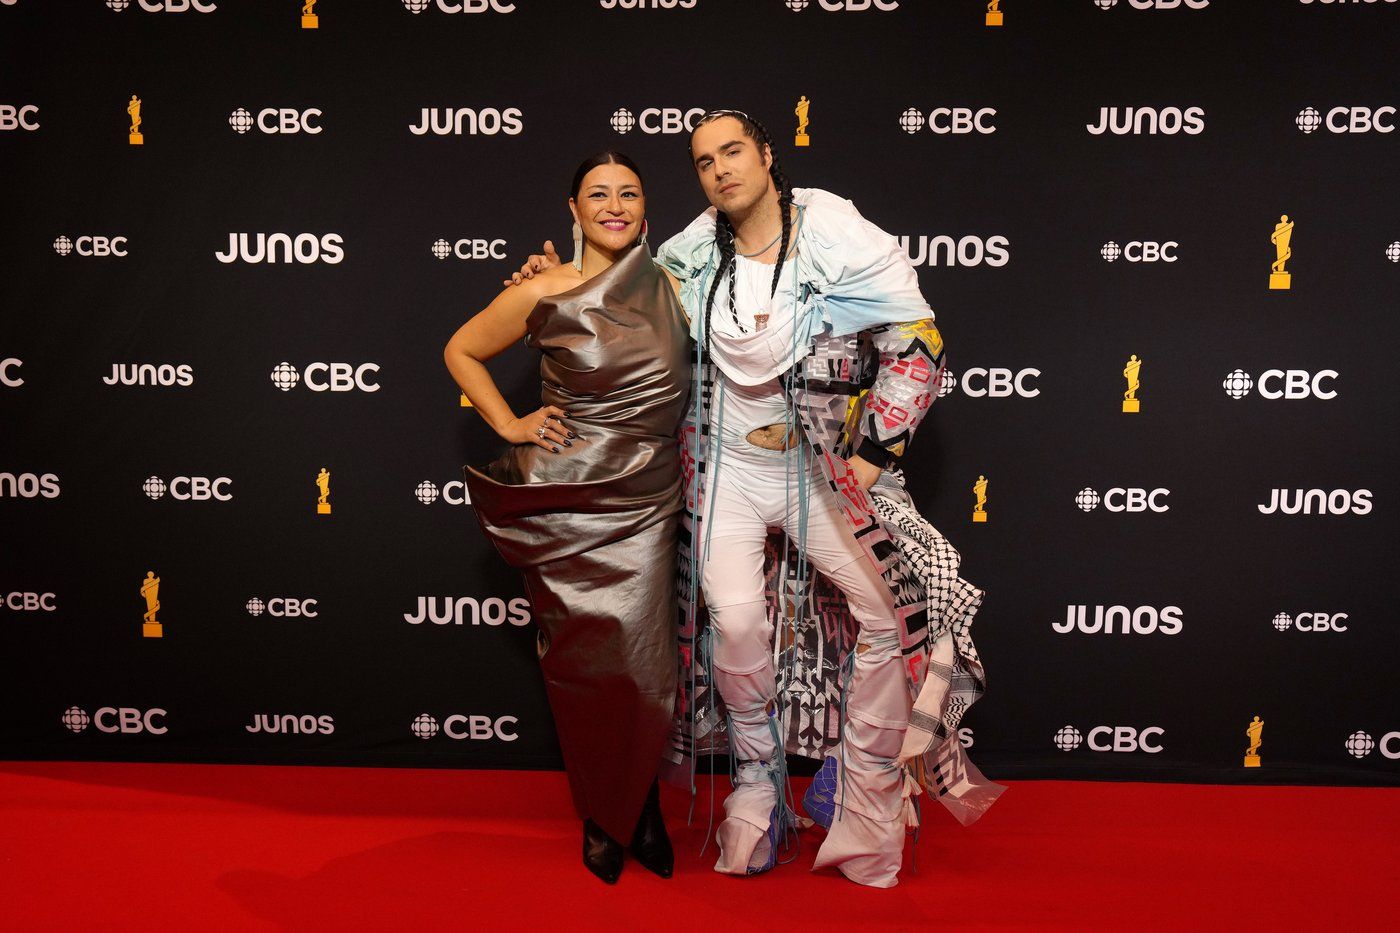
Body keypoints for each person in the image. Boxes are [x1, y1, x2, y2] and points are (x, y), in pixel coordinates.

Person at [510, 111, 1001, 889]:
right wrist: (548, 282)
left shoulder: (837, 232)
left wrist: (870, 458)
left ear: (767, 155)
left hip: (819, 475)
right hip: (722, 473)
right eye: (704, 161)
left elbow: (919, 342)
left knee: (895, 612)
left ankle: (864, 784)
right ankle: (759, 788)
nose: (720, 170)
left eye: (732, 151)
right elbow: (615, 292)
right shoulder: (691, 250)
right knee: (735, 622)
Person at [443, 151, 690, 885]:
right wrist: (512, 424)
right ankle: (602, 816)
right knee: (581, 667)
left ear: (646, 208)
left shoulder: (675, 285)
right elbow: (460, 349)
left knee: (644, 670)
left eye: (628, 193)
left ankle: (640, 806)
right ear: (573, 209)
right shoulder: (543, 287)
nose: (613, 205)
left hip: (645, 494)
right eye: (597, 194)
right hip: (567, 495)